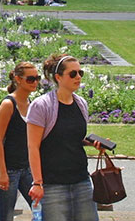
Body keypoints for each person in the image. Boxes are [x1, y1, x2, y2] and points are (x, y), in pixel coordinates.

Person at [27, 54, 108, 221]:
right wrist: (37, 182)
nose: (78, 77)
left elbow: (72, 138)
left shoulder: (81, 104)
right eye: (73, 74)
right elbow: (33, 147)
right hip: (52, 185)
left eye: (80, 73)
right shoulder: (41, 106)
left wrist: (92, 144)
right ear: (58, 77)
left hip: (81, 181)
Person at [0, 62, 38, 221]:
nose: (35, 82)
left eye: (37, 78)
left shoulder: (31, 103)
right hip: (9, 169)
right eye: (31, 79)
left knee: (42, 208)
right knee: (6, 215)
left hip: (26, 168)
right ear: (18, 79)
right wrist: (3, 173)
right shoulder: (8, 104)